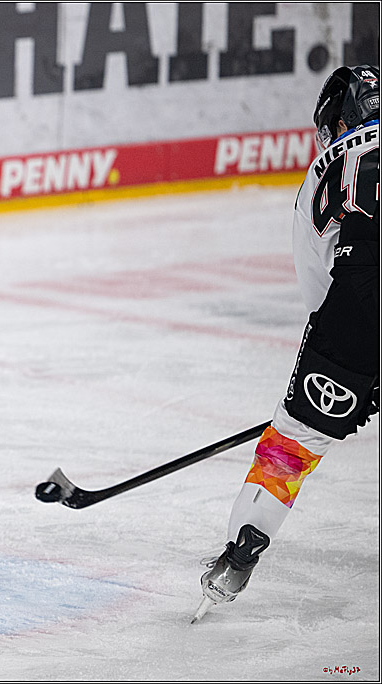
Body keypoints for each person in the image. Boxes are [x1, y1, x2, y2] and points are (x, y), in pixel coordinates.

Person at [195, 65, 379, 620]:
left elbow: (316, 285)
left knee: (293, 444)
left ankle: (240, 554)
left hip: (356, 311)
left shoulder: (326, 168)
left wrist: (346, 363)